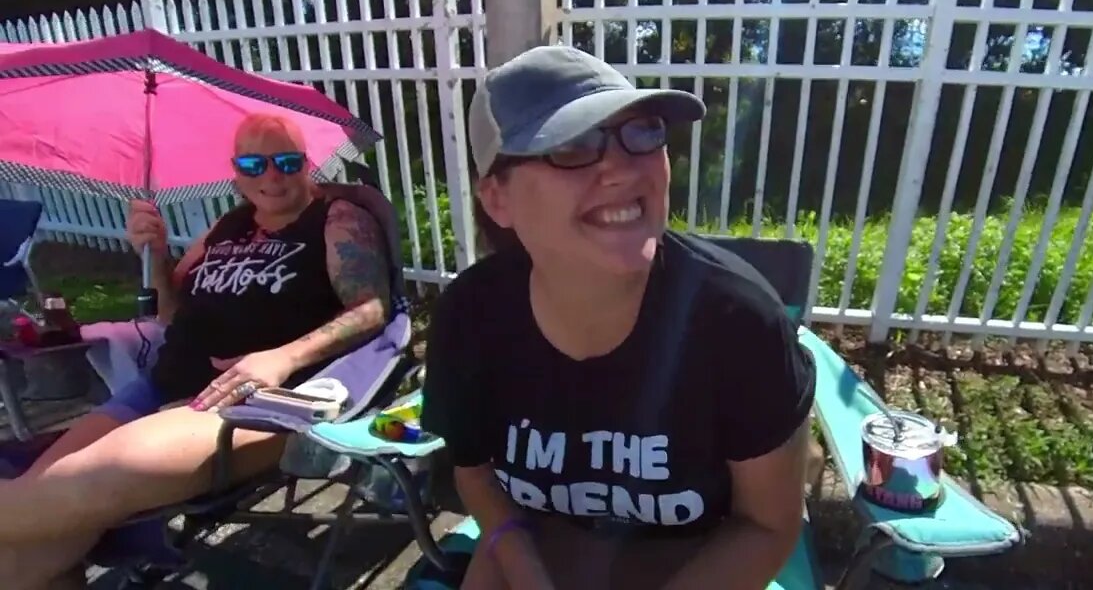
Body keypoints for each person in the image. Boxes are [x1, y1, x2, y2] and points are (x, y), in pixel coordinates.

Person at [422, 45, 816, 590]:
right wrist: (526, 570)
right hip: (539, 541)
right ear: (497, 197)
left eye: (642, 132)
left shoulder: (739, 323)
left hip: (696, 560)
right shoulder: (471, 318)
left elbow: (767, 524)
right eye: (571, 146)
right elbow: (474, 472)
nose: (621, 167)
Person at [0, 113, 392, 589]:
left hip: (241, 403)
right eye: (254, 163)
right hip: (160, 384)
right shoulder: (226, 226)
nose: (271, 175)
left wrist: (281, 357)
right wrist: (157, 252)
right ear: (236, 173)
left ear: (307, 165)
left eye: (287, 161)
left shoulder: (336, 218)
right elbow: (169, 312)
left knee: (68, 491)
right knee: (39, 507)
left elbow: (371, 309)